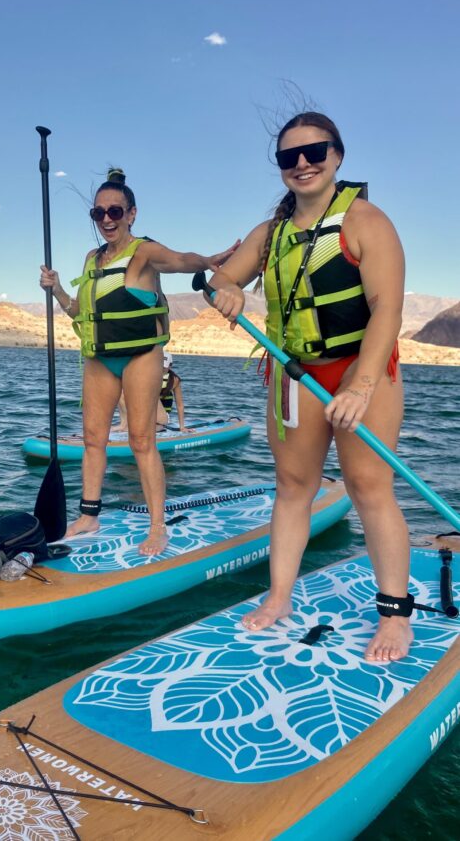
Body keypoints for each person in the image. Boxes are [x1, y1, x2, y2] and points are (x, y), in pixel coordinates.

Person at [206, 111, 410, 664]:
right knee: (293, 488)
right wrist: (226, 290)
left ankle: (394, 613)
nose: (301, 164)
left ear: (337, 156)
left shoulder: (367, 221)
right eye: (288, 157)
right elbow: (224, 275)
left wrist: (360, 387)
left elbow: (386, 308)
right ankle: (279, 597)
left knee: (370, 488)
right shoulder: (269, 234)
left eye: (314, 152)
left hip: (359, 368)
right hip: (294, 373)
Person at [40, 167, 238, 556]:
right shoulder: (91, 259)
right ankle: (89, 515)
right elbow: (80, 312)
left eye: (115, 211)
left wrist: (211, 260)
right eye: (99, 213)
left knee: (141, 440)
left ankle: (157, 526)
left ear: (131, 213)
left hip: (141, 356)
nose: (107, 220)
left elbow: (181, 259)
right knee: (93, 439)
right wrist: (57, 288)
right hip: (101, 359)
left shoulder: (143, 252)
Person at [113, 352, 187, 434]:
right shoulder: (146, 375)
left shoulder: (175, 380)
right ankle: (124, 424)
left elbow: (180, 405)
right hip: (144, 416)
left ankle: (133, 426)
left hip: (160, 419)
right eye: (159, 366)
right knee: (121, 392)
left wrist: (182, 427)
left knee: (151, 394)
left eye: (164, 367)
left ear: (170, 366)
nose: (160, 369)